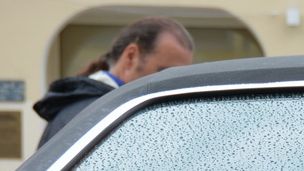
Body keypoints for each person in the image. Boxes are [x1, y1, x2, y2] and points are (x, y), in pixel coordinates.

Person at [33, 17, 194, 147]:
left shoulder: (103, 107)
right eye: (165, 73)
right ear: (131, 56)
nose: (173, 85)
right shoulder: (95, 114)